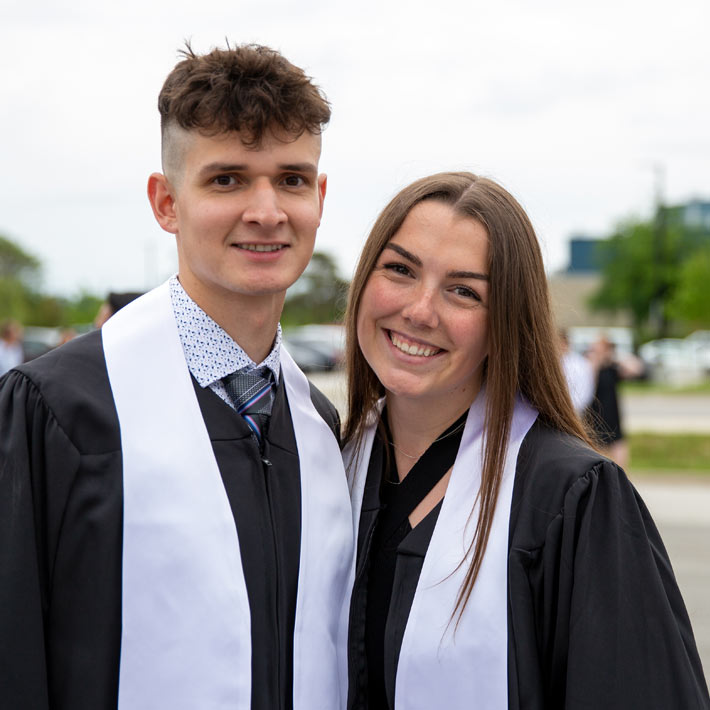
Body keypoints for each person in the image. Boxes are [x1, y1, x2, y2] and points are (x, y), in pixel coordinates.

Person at [0, 43, 353, 710]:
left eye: (292, 179)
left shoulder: (317, 426)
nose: (267, 210)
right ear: (166, 202)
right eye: (226, 179)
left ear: (320, 197)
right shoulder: (58, 410)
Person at [341, 172, 709, 709]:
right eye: (400, 269)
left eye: (464, 291)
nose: (420, 310)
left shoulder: (570, 497)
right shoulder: (327, 462)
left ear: (506, 321)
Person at [586, 333, 643, 469]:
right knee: (597, 450)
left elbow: (637, 370)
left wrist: (615, 357)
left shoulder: (612, 368)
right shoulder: (591, 366)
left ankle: (621, 475)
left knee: (619, 447)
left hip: (613, 413)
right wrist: (596, 361)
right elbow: (588, 384)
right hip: (596, 414)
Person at [557, 327, 595, 414]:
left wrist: (570, 408)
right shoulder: (552, 363)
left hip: (574, 412)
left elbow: (585, 390)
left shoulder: (580, 364)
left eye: (561, 343)